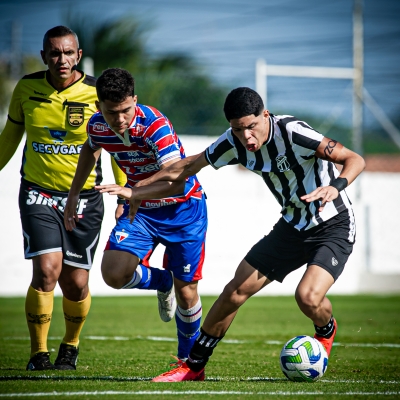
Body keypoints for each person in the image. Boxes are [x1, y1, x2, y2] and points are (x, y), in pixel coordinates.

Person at [129, 87, 366, 382]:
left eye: (252, 126)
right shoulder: (233, 142)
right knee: (234, 292)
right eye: (238, 129)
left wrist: (335, 186)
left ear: (265, 115)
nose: (246, 137)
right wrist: (137, 189)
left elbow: (354, 159)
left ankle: (326, 330)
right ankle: (193, 367)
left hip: (333, 224)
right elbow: (189, 165)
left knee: (307, 297)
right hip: (292, 227)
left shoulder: (293, 132)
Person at [0, 26, 126, 371]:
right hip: (38, 192)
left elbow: (116, 144)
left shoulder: (96, 93)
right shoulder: (26, 88)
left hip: (86, 198)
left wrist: (123, 193)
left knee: (76, 283)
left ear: (79, 55)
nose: (62, 59)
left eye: (68, 52)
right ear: (44, 56)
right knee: (46, 270)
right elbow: (9, 137)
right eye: (54, 53)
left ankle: (70, 346)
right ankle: (38, 354)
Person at [64, 67, 208, 362]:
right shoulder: (97, 125)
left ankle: (187, 363)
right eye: (111, 112)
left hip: (183, 210)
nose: (119, 119)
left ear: (135, 101)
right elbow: (90, 149)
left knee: (187, 293)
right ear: (98, 106)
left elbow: (177, 181)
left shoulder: (155, 126)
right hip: (140, 212)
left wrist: (132, 193)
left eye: (125, 111)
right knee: (113, 274)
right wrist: (74, 194)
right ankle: (163, 281)